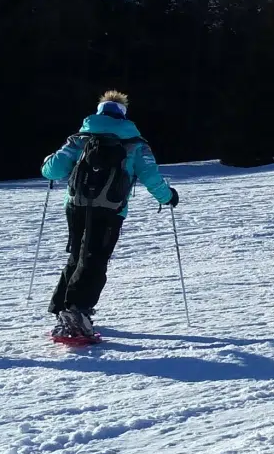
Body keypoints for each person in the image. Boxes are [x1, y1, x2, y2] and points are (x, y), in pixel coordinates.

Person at [40, 91, 177, 340]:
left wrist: (50, 159)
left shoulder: (80, 138)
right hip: (110, 208)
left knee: (77, 255)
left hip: (76, 206)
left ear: (99, 111)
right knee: (95, 258)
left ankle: (63, 309)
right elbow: (150, 176)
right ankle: (77, 313)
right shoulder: (135, 143)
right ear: (123, 115)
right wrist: (167, 197)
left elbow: (52, 170)